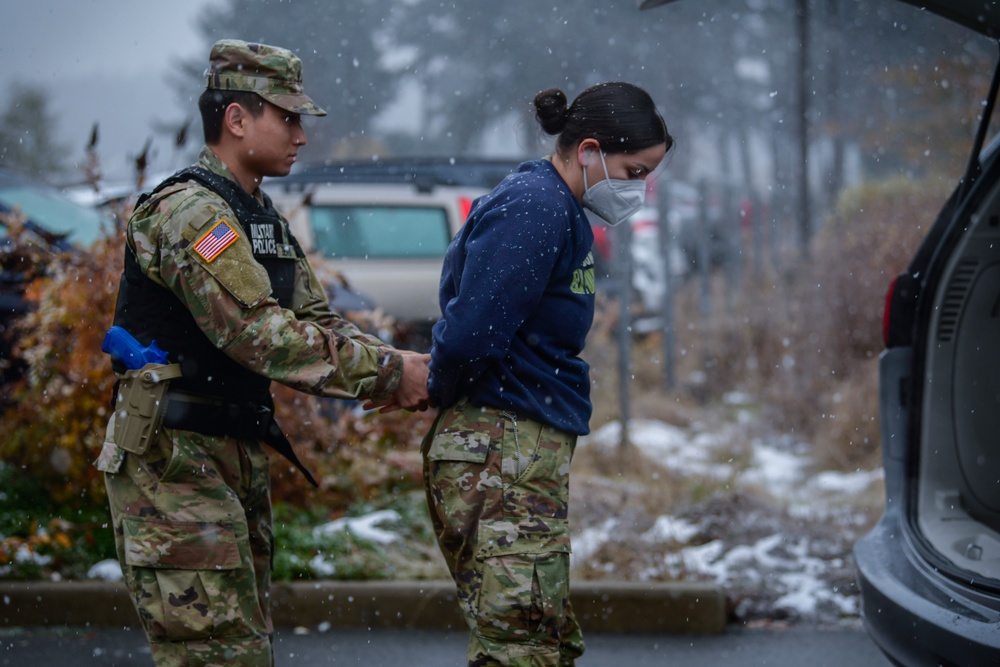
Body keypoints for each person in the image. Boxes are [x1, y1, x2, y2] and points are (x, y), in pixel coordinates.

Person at [94, 39, 429, 667]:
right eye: (289, 117)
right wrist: (389, 376)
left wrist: (407, 370)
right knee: (218, 656)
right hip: (176, 463)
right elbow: (257, 335)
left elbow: (314, 319)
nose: (302, 135)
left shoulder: (257, 214)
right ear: (237, 119)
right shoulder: (192, 214)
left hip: (229, 452)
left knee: (243, 648)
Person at [422, 82, 672, 666]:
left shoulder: (558, 207)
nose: (639, 189)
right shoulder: (536, 206)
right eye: (634, 171)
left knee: (536, 637)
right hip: (503, 447)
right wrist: (436, 388)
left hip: (516, 445)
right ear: (588, 151)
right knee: (521, 644)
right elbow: (470, 333)